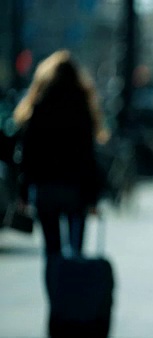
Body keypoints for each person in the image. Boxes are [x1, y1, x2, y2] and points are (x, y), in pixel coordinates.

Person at [13, 50, 108, 257]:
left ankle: (55, 286)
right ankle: (74, 285)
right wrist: (94, 198)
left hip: (45, 187)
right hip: (76, 188)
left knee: (52, 248)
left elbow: (27, 155)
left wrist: (23, 192)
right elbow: (88, 157)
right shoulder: (82, 109)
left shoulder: (38, 108)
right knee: (76, 250)